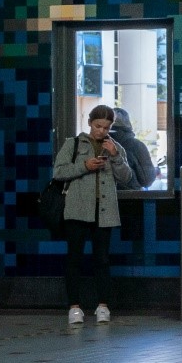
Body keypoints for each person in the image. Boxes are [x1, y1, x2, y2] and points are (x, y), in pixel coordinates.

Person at [51, 104, 138, 324]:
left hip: (104, 211)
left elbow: (126, 177)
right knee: (74, 258)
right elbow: (58, 172)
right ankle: (74, 307)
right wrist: (85, 166)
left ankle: (103, 306)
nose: (102, 131)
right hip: (77, 209)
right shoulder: (73, 144)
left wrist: (116, 156)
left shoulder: (115, 147)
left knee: (102, 259)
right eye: (98, 126)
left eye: (107, 127)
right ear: (90, 123)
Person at [108, 107, 159, 189]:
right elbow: (147, 180)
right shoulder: (136, 146)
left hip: (101, 199)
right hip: (131, 197)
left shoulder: (94, 143)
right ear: (128, 125)